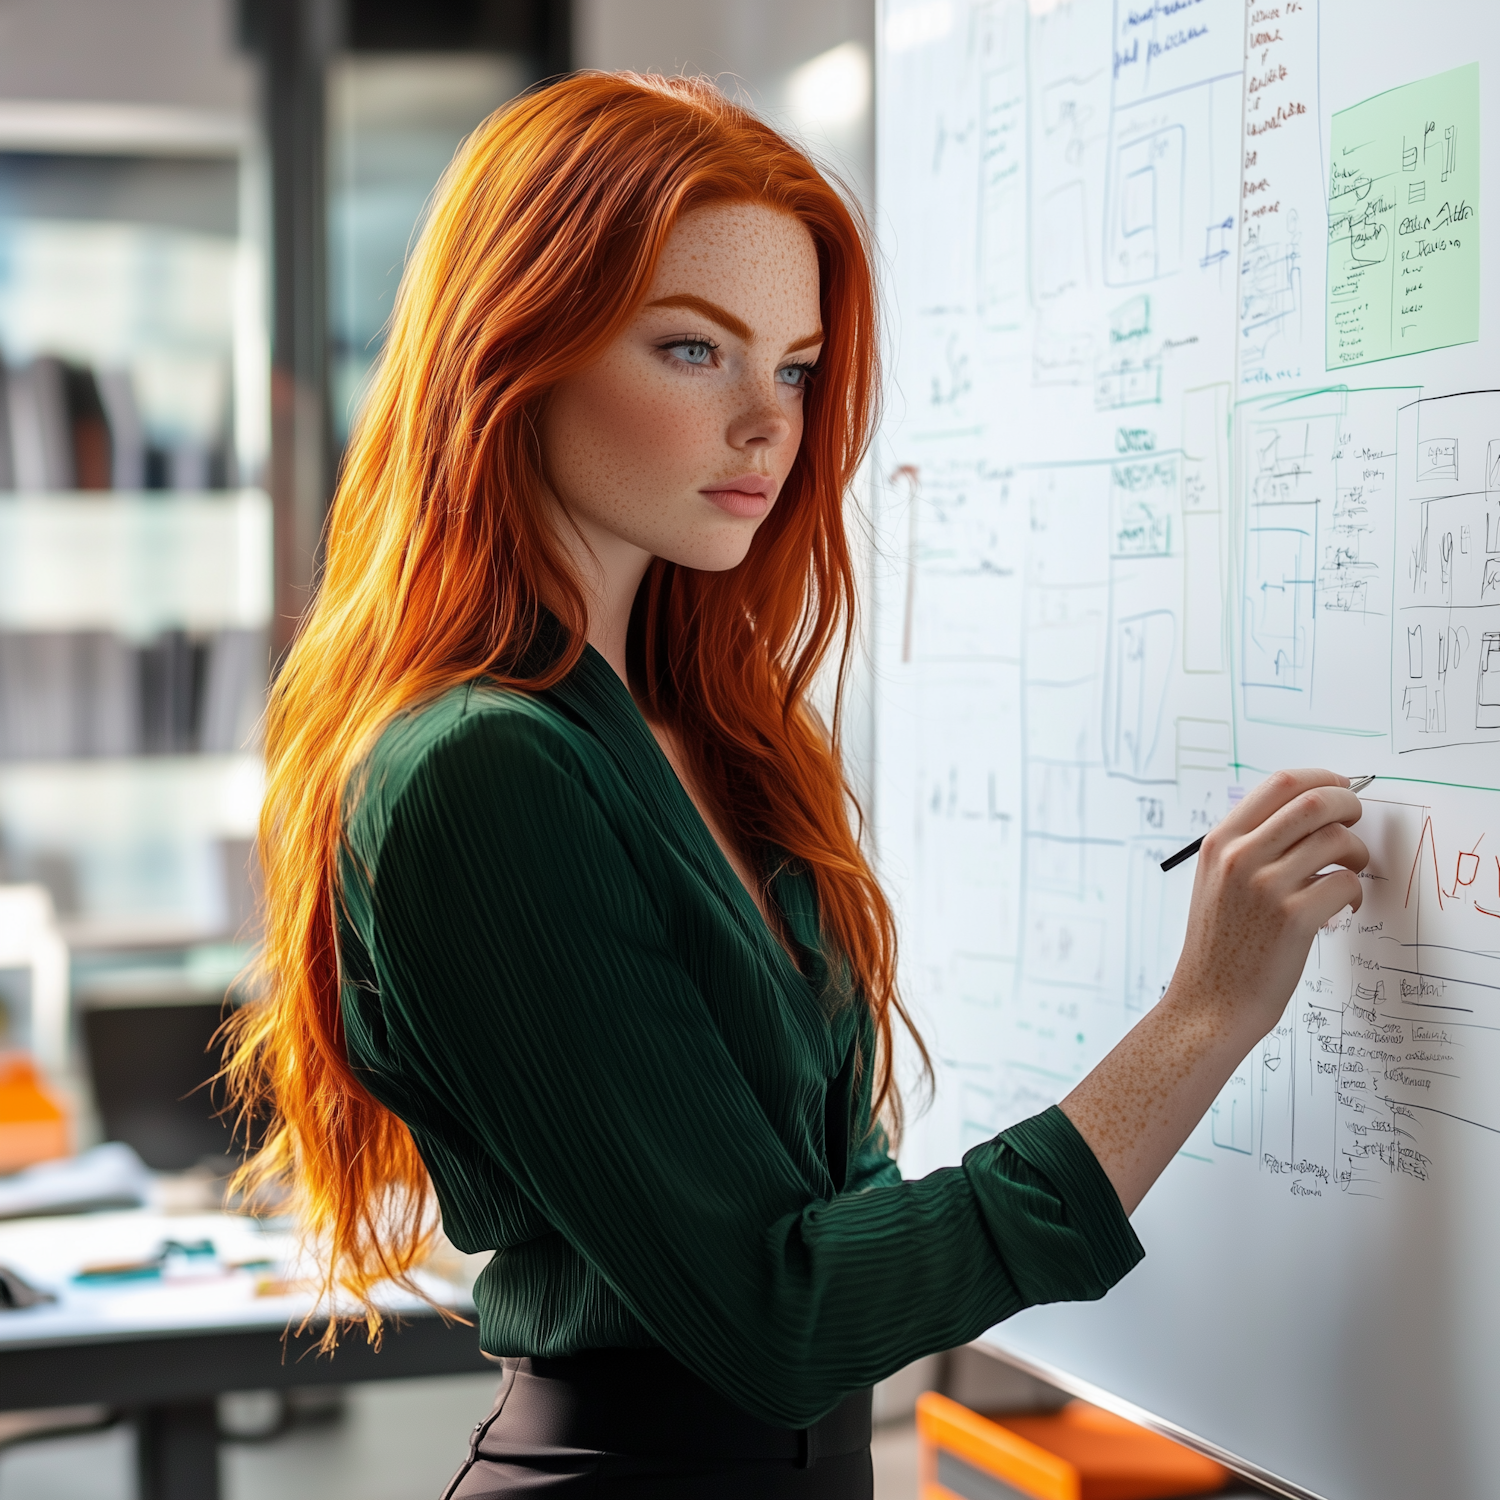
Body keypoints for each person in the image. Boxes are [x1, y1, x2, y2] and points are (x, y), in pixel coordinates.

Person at [223, 72, 1368, 1498]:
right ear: (517, 349)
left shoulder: (717, 730)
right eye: (694, 350)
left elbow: (837, 1213)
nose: (769, 424)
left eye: (799, 366)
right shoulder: (475, 775)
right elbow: (784, 1319)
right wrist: (1204, 1017)